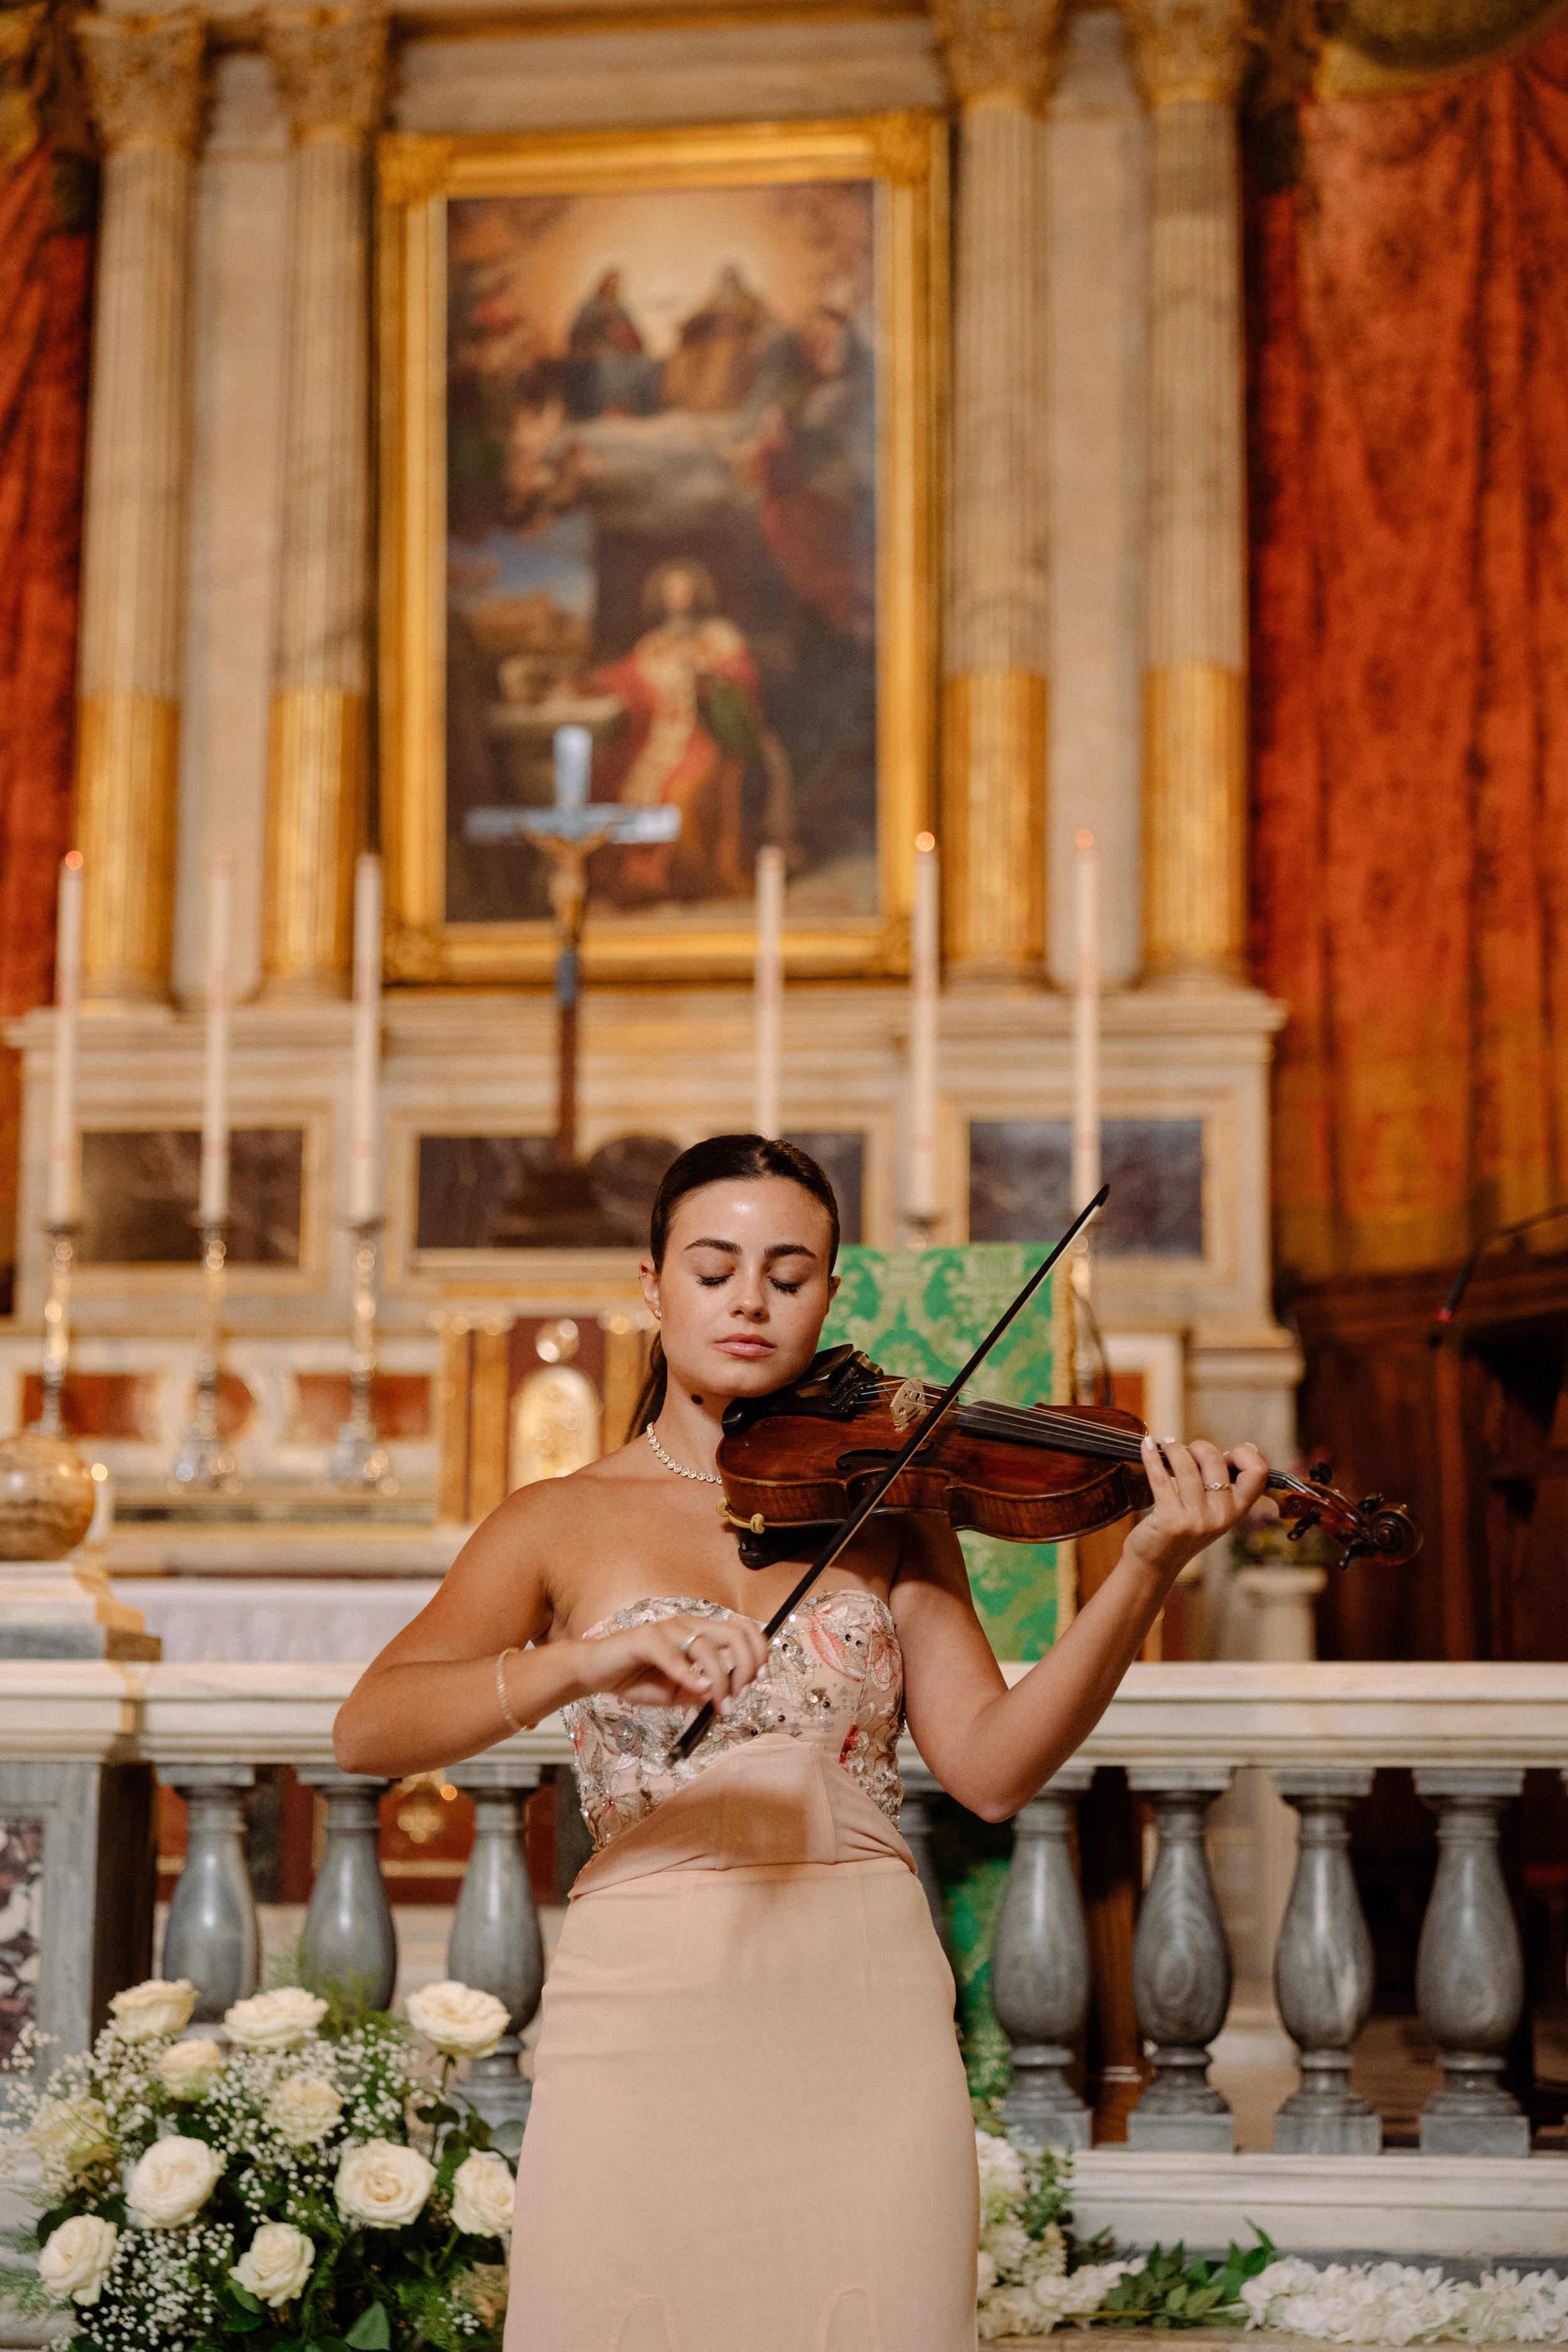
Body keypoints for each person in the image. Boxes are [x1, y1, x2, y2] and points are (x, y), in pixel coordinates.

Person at [334, 1135, 1271, 2352]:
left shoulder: (887, 1504)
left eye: (788, 1272)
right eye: (713, 1267)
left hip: (860, 1995)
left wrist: (1141, 1568)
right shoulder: (558, 1519)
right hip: (643, 2004)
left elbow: (990, 1771)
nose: (749, 1299)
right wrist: (585, 1660)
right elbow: (369, 1728)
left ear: (829, 1294)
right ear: (651, 1285)